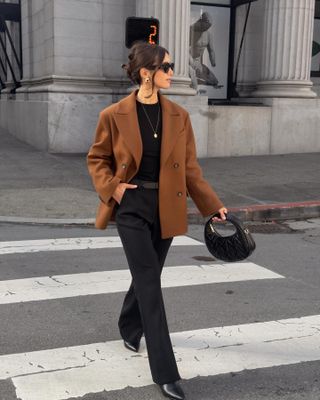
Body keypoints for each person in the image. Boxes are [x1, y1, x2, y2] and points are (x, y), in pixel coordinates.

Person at [87, 41, 227, 400]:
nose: (171, 72)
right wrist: (113, 189)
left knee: (148, 274)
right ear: (146, 73)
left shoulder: (179, 115)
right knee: (150, 282)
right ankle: (165, 371)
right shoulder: (113, 114)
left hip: (166, 205)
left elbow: (191, 170)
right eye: (167, 66)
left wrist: (212, 205)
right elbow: (97, 158)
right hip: (131, 205)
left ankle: (129, 325)